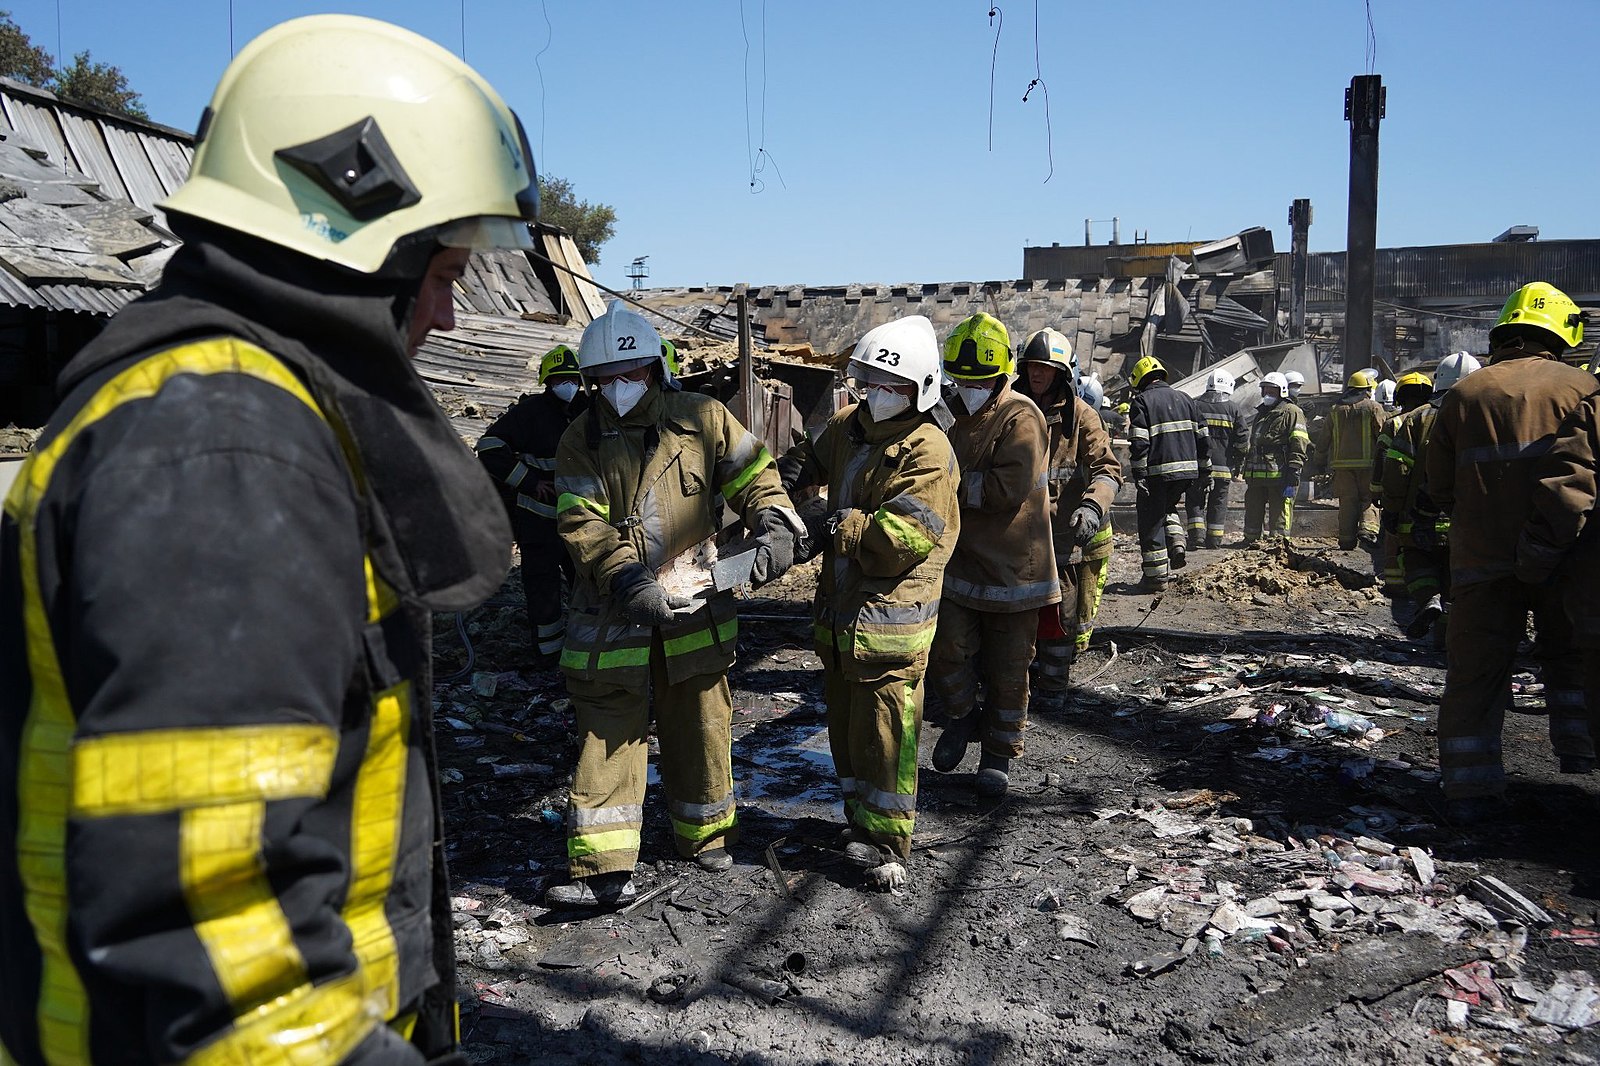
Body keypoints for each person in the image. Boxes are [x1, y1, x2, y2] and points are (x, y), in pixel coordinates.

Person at [0, 15, 538, 1063]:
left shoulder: (236, 413)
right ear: (357, 226)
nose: (454, 315)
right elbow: (217, 940)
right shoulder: (223, 448)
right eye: (443, 273)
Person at [549, 301, 802, 906]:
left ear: (656, 370)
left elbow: (756, 478)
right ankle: (604, 869)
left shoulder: (704, 420)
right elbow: (583, 526)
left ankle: (706, 838)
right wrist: (631, 584)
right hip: (615, 615)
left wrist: (770, 520)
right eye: (607, 380)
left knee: (702, 724)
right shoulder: (578, 440)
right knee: (608, 732)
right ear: (591, 385)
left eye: (631, 373)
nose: (621, 388)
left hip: (696, 611)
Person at [783, 316, 959, 889]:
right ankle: (859, 822)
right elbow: (804, 464)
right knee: (846, 728)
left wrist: (835, 524)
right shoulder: (848, 426)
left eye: (894, 386)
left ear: (921, 389)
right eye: (872, 381)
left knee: (887, 731)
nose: (879, 395)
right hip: (841, 619)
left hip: (890, 622)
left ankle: (887, 844)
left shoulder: (930, 451)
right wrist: (784, 490)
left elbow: (895, 543)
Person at [1424, 282, 1596, 821]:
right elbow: (1582, 480)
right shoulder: (1585, 390)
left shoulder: (1465, 394)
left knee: (1476, 672)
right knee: (1574, 659)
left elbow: (1437, 487)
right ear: (1562, 335)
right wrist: (1544, 546)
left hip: (1480, 560)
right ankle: (1580, 755)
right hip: (1567, 563)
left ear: (1504, 332)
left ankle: (1470, 790)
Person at [928, 313, 1058, 796]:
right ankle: (962, 718)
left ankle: (997, 756)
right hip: (961, 564)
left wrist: (942, 485)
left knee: (1009, 671)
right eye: (960, 379)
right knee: (944, 650)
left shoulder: (1022, 416)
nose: (968, 387)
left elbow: (1006, 489)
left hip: (1015, 572)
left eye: (978, 380)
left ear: (1002, 374)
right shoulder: (951, 408)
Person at [1013, 330, 1120, 705]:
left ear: (1061, 372)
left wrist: (1092, 506)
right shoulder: (1007, 407)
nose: (1038, 374)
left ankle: (1054, 688)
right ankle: (1014, 685)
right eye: (1032, 366)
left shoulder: (1081, 416)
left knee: (1061, 613)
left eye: (1046, 367)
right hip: (1009, 534)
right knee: (1011, 613)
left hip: (1059, 536)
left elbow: (1107, 468)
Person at [477, 344, 587, 666]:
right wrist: (529, 482)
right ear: (547, 382)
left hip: (582, 520)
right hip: (538, 522)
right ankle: (549, 655)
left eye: (572, 378)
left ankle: (586, 644)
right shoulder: (529, 414)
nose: (567, 385)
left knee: (586, 584)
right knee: (542, 589)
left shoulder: (588, 410)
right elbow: (489, 446)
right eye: (560, 379)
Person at [1517, 381, 1600, 780]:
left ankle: (1579, 755)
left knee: (1571, 659)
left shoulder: (1595, 412)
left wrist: (1535, 563)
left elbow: (1568, 498)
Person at [1381, 359, 1479, 640]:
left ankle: (1428, 599)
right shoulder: (1482, 415)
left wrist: (1392, 506)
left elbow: (1398, 468)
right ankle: (1447, 637)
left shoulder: (1416, 419)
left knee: (1416, 559)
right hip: (1466, 519)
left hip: (1418, 515)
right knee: (1455, 574)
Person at [1126, 355, 1209, 591]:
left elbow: (1139, 442)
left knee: (1151, 519)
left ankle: (1155, 578)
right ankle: (1177, 544)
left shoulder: (1142, 401)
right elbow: (1203, 437)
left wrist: (1139, 474)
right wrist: (1205, 470)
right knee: (1168, 508)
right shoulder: (1186, 399)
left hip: (1157, 473)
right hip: (1187, 473)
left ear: (1141, 380)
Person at [1319, 369, 1386, 551]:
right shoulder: (1373, 407)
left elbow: (1324, 439)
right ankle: (1367, 533)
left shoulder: (1335, 410)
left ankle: (1346, 540)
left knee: (1347, 502)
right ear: (1367, 388)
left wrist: (1318, 460)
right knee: (1368, 498)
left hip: (1341, 467)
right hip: (1368, 465)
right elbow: (1382, 434)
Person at [1241, 372, 1310, 544]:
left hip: (1279, 473)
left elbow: (1299, 440)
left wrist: (1294, 468)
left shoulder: (1292, 411)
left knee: (1280, 509)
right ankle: (1251, 540)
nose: (1267, 394)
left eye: (1272, 391)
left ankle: (1278, 543)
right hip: (1256, 473)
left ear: (1283, 392)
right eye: (1265, 390)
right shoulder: (1262, 412)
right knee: (1253, 507)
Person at [1189, 369, 1249, 549]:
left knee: (1195, 500)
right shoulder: (1234, 409)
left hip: (1197, 467)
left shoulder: (1194, 406)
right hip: (1223, 468)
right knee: (1218, 503)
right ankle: (1214, 540)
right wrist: (1238, 461)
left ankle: (1196, 537)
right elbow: (1242, 441)